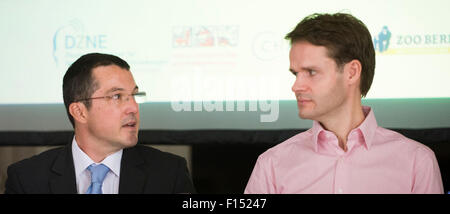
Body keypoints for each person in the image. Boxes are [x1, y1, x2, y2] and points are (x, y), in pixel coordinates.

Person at [244, 13, 444, 194]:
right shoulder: (271, 166)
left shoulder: (417, 163)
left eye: (311, 72)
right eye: (296, 74)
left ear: (352, 72)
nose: (296, 86)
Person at [4, 53, 196, 194]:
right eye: (117, 96)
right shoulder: (26, 179)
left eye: (134, 95)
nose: (133, 107)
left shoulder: (169, 174)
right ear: (79, 111)